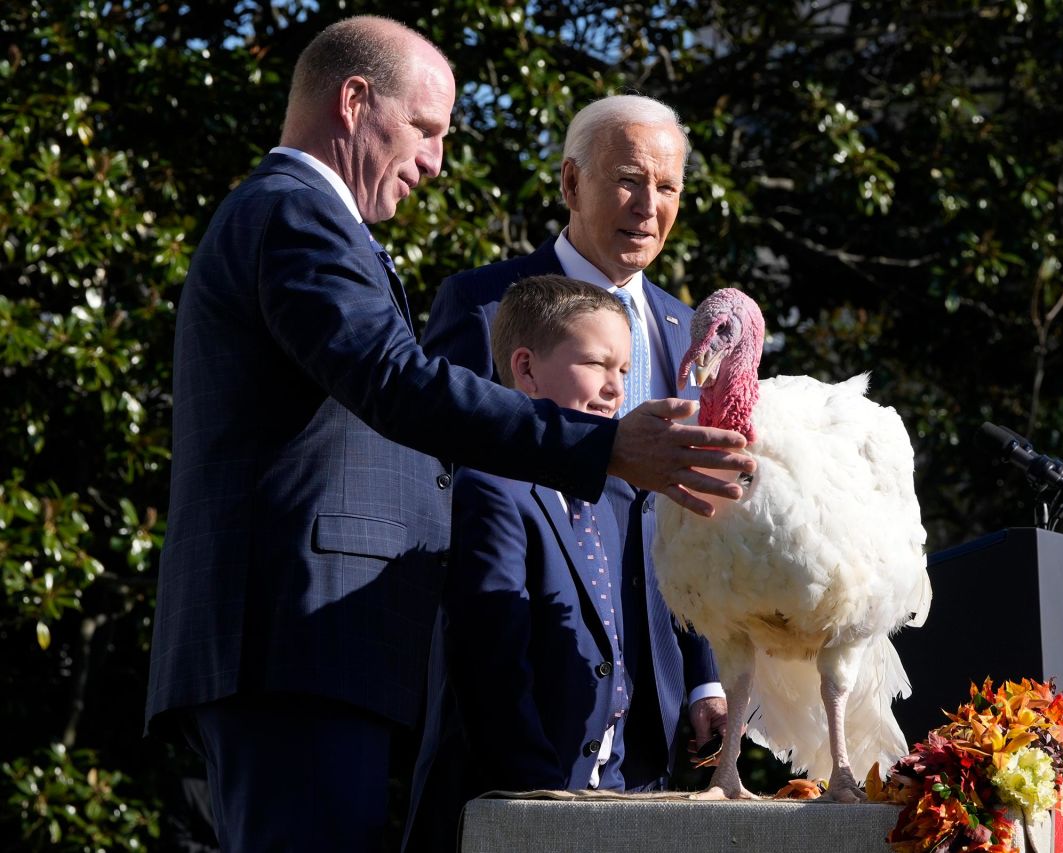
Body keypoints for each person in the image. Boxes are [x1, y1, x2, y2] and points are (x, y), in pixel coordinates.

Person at [142, 17, 753, 853]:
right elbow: (399, 383)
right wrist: (602, 445)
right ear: (354, 102)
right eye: (425, 130)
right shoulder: (294, 215)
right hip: (295, 644)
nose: (433, 162)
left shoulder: (302, 220)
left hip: (315, 651)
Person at [415, 94, 728, 798]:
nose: (648, 205)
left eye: (668, 187)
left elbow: (695, 513)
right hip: (523, 687)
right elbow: (443, 476)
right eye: (628, 179)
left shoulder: (688, 329)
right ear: (570, 183)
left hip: (655, 710)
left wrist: (706, 669)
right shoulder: (483, 304)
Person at [422, 275, 638, 848]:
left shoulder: (612, 498)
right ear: (525, 369)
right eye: (597, 365)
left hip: (602, 803)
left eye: (624, 369)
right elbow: (491, 666)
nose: (616, 388)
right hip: (520, 809)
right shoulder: (492, 487)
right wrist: (541, 803)